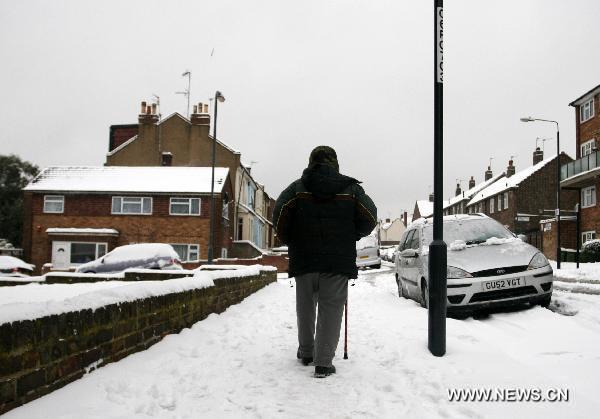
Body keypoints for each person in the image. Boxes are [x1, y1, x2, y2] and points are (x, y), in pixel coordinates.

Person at [273, 146, 377, 378]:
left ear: (311, 162)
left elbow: (278, 216)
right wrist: (353, 233)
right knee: (331, 309)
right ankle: (323, 363)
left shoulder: (296, 189)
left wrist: (290, 239)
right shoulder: (351, 190)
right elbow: (370, 217)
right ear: (335, 163)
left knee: (305, 306)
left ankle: (307, 352)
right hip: (337, 260)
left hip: (304, 257)